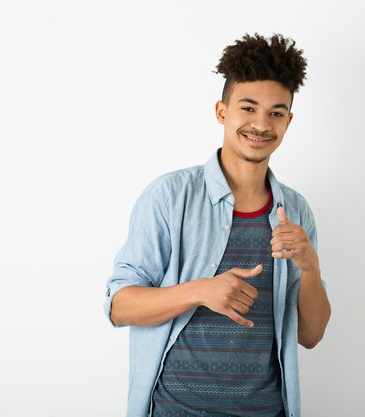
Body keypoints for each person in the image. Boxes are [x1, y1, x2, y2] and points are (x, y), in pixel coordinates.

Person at [104, 33, 331, 417]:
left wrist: (310, 269)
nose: (261, 124)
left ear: (288, 121)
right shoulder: (170, 196)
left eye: (276, 112)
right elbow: (119, 306)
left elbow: (310, 335)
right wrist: (201, 291)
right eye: (248, 107)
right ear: (221, 111)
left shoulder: (295, 210)